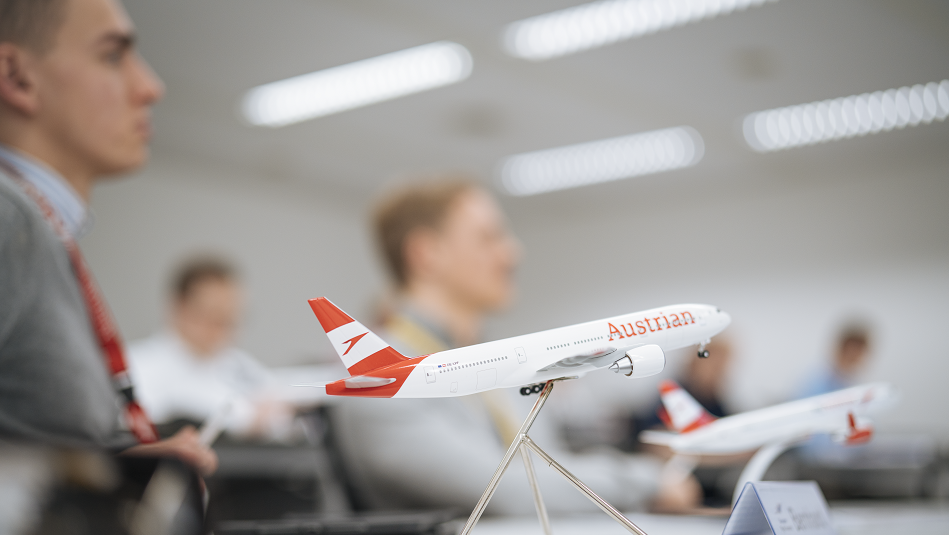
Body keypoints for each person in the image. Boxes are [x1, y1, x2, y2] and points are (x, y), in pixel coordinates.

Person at [330, 179, 700, 515]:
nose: (513, 253)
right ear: (427, 253)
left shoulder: (496, 363)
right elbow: (512, 491)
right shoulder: (377, 381)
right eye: (489, 237)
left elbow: (550, 466)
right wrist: (648, 479)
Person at [0, 0, 215, 474]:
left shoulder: (39, 229)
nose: (150, 87)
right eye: (113, 56)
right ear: (16, 77)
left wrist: (113, 470)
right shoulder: (9, 218)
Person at [128, 257, 296, 441]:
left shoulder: (238, 363)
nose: (222, 331)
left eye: (231, 320)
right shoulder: (136, 364)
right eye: (213, 316)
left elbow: (279, 407)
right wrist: (245, 419)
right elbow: (157, 416)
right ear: (179, 307)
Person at [796, 322, 872, 399]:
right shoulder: (819, 378)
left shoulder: (852, 382)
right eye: (853, 350)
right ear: (842, 348)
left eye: (860, 351)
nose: (856, 355)